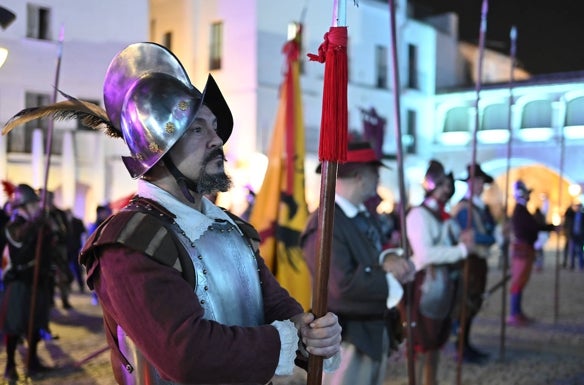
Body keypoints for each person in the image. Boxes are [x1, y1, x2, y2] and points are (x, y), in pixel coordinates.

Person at [3, 42, 342, 385]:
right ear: (158, 152)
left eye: (214, 127)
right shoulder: (128, 243)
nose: (216, 140)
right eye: (197, 129)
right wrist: (286, 337)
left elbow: (276, 308)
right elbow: (186, 355)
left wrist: (310, 331)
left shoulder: (231, 230)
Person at [300, 140, 413, 385]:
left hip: (372, 332)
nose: (378, 180)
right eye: (376, 172)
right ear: (360, 176)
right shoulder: (324, 224)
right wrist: (392, 281)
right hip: (349, 340)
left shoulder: (361, 216)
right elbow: (341, 287)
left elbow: (370, 256)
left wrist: (389, 259)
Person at [404, 160, 474, 385]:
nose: (447, 189)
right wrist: (461, 250)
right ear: (432, 184)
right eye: (442, 184)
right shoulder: (418, 215)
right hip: (426, 285)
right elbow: (425, 254)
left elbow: (455, 240)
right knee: (422, 343)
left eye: (449, 185)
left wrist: (462, 241)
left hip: (446, 285)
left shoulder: (447, 217)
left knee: (435, 344)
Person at [0, 184, 55, 380]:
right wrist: (35, 224)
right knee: (15, 325)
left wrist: (45, 225)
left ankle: (32, 361)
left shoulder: (39, 224)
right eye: (32, 204)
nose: (36, 207)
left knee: (36, 323)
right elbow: (20, 244)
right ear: (23, 206)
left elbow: (54, 241)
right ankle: (10, 365)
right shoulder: (13, 226)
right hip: (20, 282)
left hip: (38, 280)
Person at [450, 163, 496, 364]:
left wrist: (492, 235)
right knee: (465, 304)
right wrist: (490, 237)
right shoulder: (464, 208)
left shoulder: (481, 207)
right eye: (475, 181)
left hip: (479, 261)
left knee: (474, 303)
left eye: (480, 181)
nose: (478, 185)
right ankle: (461, 346)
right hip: (468, 261)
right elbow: (472, 236)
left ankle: (466, 344)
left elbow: (491, 229)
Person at [508, 180, 556, 326]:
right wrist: (551, 227)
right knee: (518, 281)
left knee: (521, 281)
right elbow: (533, 226)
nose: (529, 196)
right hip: (522, 249)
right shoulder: (520, 211)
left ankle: (517, 312)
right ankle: (514, 313)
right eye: (526, 193)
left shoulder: (522, 210)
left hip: (526, 248)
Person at [563, 201, 584, 271]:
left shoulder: (583, 215)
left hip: (581, 236)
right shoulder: (572, 215)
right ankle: (572, 265)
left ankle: (581, 266)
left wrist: (583, 207)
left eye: (579, 206)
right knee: (572, 251)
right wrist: (571, 205)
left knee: (581, 251)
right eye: (577, 206)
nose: (578, 208)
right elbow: (567, 213)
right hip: (573, 235)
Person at [65, 209, 87, 293]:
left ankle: (81, 285)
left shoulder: (77, 222)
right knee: (67, 268)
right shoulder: (65, 222)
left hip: (75, 248)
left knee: (77, 268)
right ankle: (69, 284)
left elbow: (83, 233)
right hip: (68, 248)